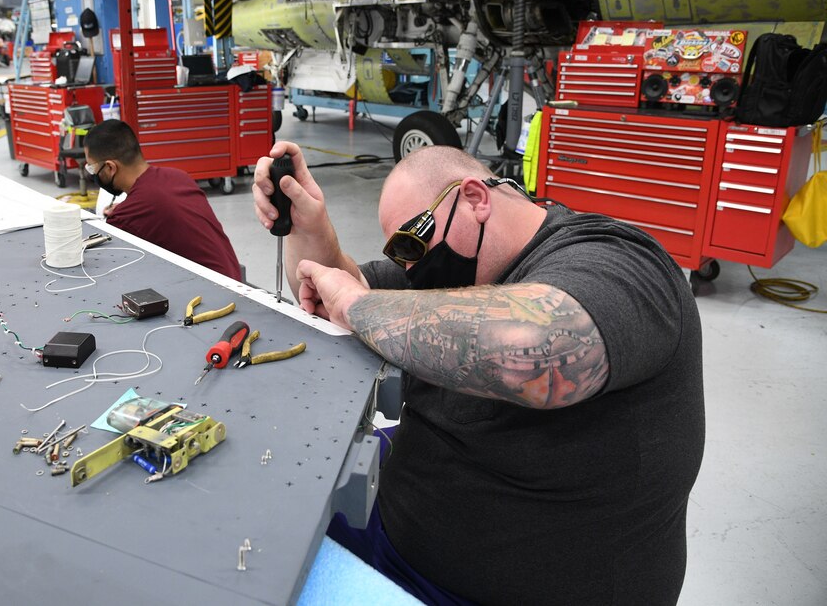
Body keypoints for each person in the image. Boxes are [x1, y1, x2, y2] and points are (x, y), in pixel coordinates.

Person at [253, 142, 705, 606]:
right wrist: (311, 227)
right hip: (400, 524)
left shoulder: (621, 263)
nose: (411, 267)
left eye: (413, 242)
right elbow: (342, 294)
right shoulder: (450, 271)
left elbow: (544, 348)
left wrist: (357, 304)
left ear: (474, 198)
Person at [84, 119, 243, 281]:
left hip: (213, 296)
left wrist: (123, 213)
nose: (92, 174)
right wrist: (125, 209)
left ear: (110, 168)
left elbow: (110, 271)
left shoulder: (128, 215)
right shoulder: (178, 176)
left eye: (91, 168)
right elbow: (155, 208)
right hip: (234, 280)